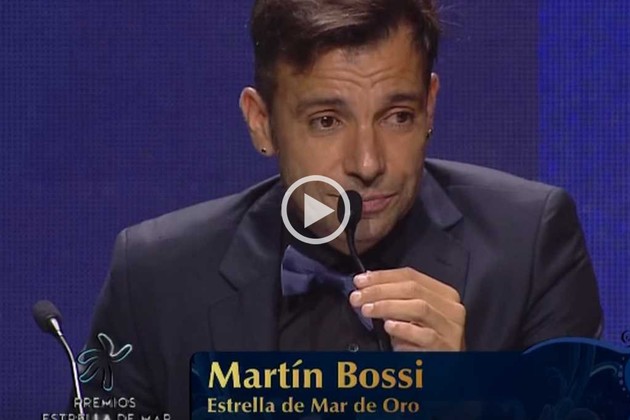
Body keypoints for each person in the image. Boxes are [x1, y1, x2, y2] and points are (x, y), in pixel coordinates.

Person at [78, 0, 603, 416]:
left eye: (397, 115)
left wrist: (465, 396)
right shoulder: (156, 277)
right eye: (327, 121)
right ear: (262, 123)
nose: (368, 163)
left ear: (430, 107)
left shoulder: (530, 247)